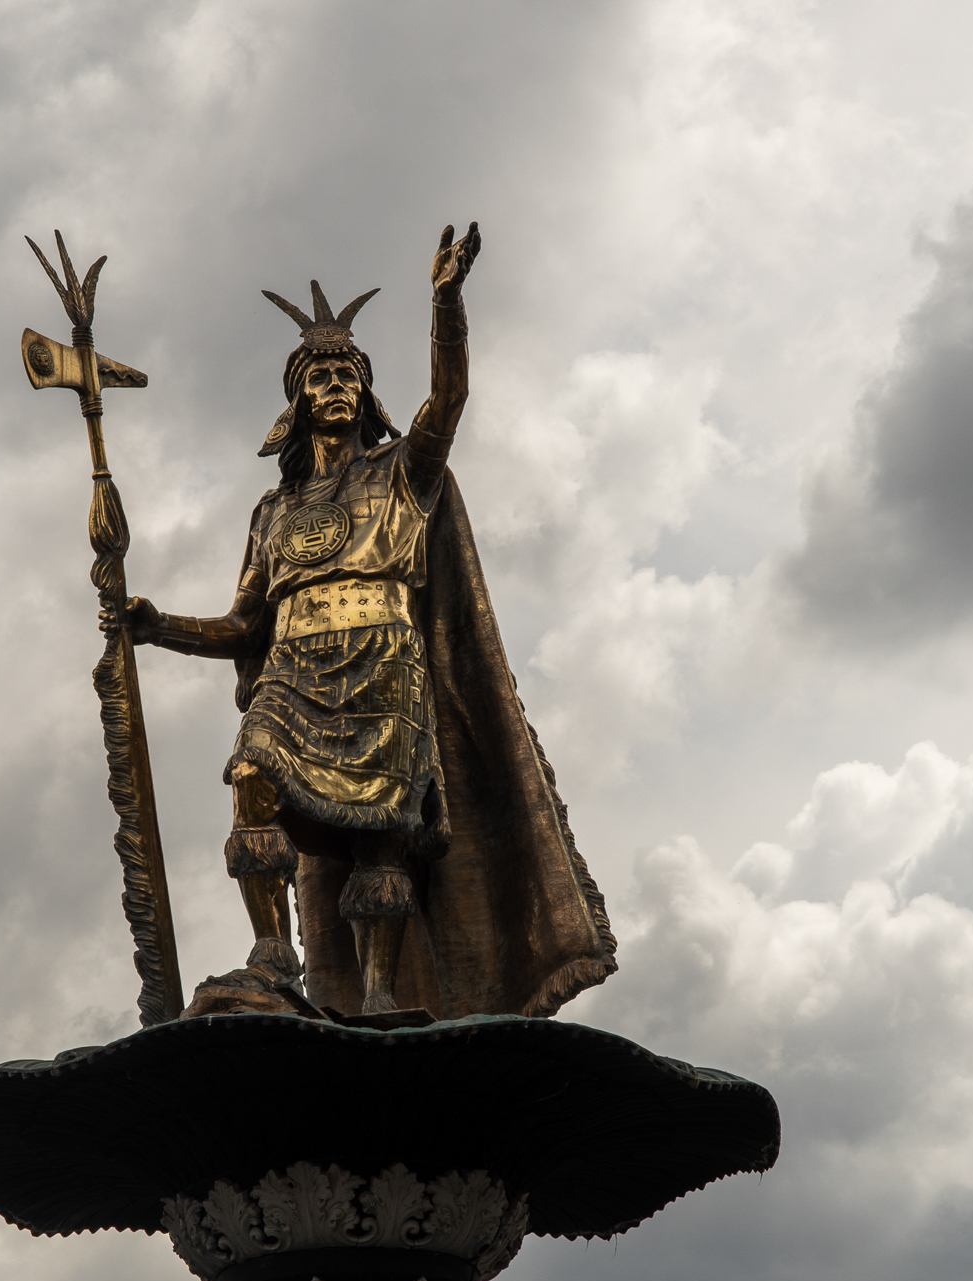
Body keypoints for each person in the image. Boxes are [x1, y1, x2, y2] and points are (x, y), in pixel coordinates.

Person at [111, 223, 616, 1021]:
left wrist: (445, 306)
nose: (335, 384)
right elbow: (245, 625)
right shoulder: (274, 511)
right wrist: (153, 623)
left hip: (386, 663)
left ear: (366, 393)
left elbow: (449, 401)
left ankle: (381, 996)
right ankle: (274, 957)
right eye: (318, 376)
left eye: (348, 371)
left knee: (381, 839)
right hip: (294, 669)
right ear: (298, 401)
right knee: (252, 778)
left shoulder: (405, 474)